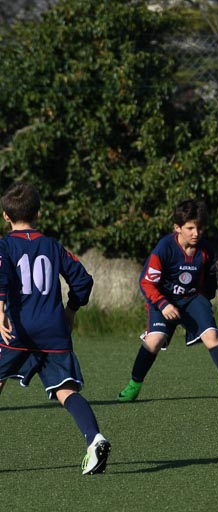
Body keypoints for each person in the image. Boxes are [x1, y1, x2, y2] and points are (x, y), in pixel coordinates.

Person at [0, 182, 110, 474]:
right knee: (66, 391)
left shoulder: (4, 245)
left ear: (5, 216)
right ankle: (94, 438)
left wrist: (0, 309)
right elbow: (83, 280)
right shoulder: (53, 246)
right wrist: (70, 311)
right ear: (38, 213)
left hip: (17, 329)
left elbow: (1, 274)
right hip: (53, 330)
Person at [116, 199, 218, 402]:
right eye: (190, 228)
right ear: (177, 228)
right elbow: (146, 282)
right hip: (163, 299)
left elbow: (210, 281)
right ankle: (133, 385)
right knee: (154, 341)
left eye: (200, 228)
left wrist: (203, 302)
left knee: (212, 335)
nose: (196, 233)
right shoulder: (164, 248)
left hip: (192, 299)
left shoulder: (206, 250)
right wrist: (162, 304)